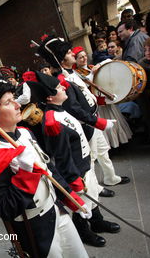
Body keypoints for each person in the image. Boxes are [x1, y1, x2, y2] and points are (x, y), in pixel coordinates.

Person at [0, 64, 89, 257]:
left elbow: (49, 170)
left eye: (14, 99)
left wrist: (72, 199)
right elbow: (5, 209)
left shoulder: (26, 133)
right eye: (9, 102)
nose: (18, 104)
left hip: (57, 211)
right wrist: (26, 173)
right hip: (36, 228)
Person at [25, 71, 121, 248]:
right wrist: (73, 179)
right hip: (76, 171)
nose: (63, 86)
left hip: (84, 164)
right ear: (50, 97)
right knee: (81, 204)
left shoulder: (61, 109)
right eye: (58, 88)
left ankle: (97, 221)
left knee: (92, 193)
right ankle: (84, 232)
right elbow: (61, 156)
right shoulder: (52, 121)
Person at [37, 35, 130, 188]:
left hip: (92, 118)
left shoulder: (72, 72)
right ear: (60, 59)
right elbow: (73, 108)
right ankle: (95, 188)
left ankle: (110, 178)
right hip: (85, 124)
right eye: (68, 53)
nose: (73, 53)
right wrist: (98, 122)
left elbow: (85, 95)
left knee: (102, 151)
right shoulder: (61, 79)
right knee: (89, 158)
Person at [73, 46, 133, 149]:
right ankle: (110, 147)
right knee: (104, 124)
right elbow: (87, 83)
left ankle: (120, 142)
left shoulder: (92, 67)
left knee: (114, 120)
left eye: (85, 56)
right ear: (76, 60)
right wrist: (93, 73)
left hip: (105, 98)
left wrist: (99, 65)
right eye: (80, 57)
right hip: (96, 102)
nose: (84, 59)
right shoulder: (76, 74)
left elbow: (109, 60)